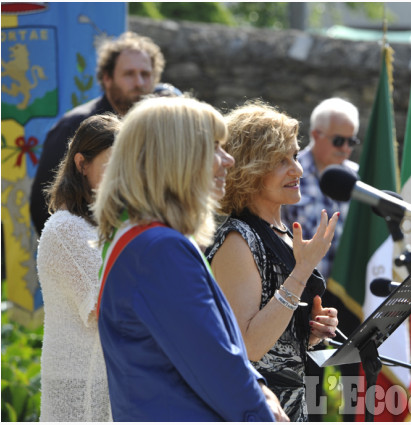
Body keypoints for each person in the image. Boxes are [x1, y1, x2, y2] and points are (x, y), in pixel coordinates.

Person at [93, 96, 283, 421]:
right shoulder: (158, 249)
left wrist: (261, 388)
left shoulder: (143, 239)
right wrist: (262, 412)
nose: (228, 161)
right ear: (175, 156)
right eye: (215, 148)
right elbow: (216, 364)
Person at [206, 101, 340, 422]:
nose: (297, 169)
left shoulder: (279, 231)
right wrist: (302, 271)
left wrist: (310, 332)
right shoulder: (238, 239)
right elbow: (249, 347)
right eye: (280, 161)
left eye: (294, 156)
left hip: (294, 403)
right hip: (258, 408)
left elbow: (278, 339)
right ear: (251, 168)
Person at [30, 31, 165, 236]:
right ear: (107, 78)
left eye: (146, 74)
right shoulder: (74, 125)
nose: (139, 82)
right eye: (129, 74)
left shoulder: (154, 128)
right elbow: (43, 206)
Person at [37, 113, 121, 421]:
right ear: (82, 164)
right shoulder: (66, 229)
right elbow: (107, 308)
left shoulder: (111, 227)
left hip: (110, 380)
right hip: (80, 385)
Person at [281, 97, 360, 421]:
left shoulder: (357, 177)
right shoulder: (291, 174)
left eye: (351, 141)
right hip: (304, 293)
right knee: (312, 378)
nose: (345, 148)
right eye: (338, 140)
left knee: (352, 374)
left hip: (348, 293)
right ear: (316, 134)